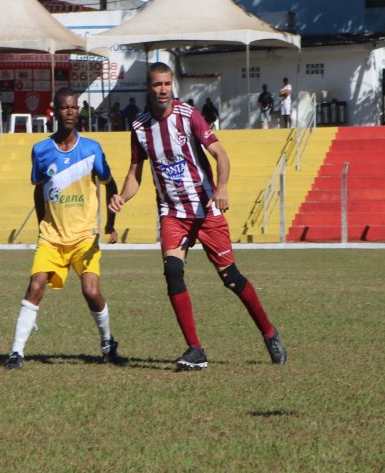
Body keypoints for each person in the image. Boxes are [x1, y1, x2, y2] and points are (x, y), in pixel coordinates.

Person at [108, 62, 287, 371]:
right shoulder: (139, 127)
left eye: (167, 83)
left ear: (172, 85)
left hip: (205, 210)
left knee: (230, 278)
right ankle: (195, 349)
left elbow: (221, 154)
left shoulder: (188, 116)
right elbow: (135, 173)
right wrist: (122, 197)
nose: (162, 89)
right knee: (173, 273)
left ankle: (269, 333)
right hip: (172, 213)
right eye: (156, 85)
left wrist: (222, 186)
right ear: (148, 88)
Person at [5, 87, 122, 370]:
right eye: (63, 108)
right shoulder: (41, 150)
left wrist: (110, 223)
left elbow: (111, 184)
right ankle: (16, 353)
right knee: (35, 285)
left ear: (78, 111)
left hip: (84, 237)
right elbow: (38, 189)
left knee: (91, 290)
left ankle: (108, 343)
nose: (69, 112)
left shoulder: (92, 148)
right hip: (51, 237)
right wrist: (42, 223)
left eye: (73, 107)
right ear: (54, 111)